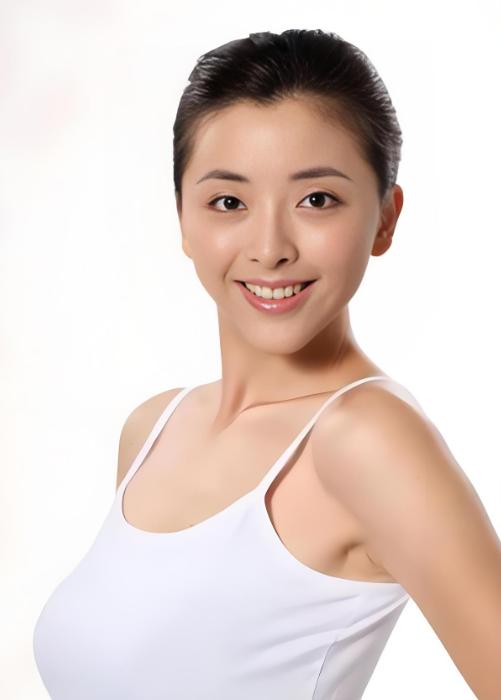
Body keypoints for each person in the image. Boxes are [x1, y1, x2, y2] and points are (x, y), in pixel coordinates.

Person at [33, 28, 501, 700]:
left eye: (317, 200)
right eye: (229, 202)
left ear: (384, 219)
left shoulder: (367, 439)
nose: (270, 247)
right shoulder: (153, 429)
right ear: (183, 218)